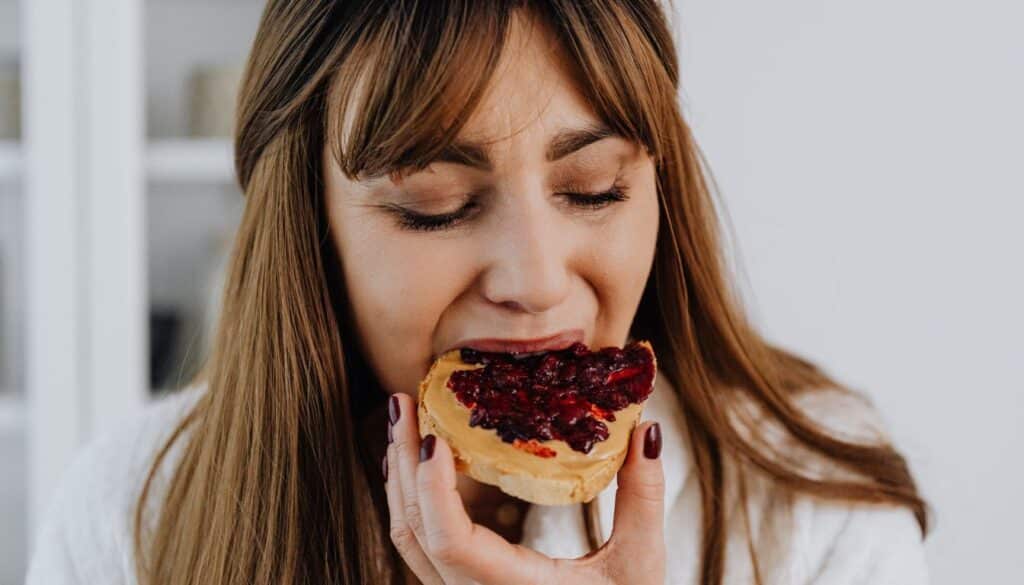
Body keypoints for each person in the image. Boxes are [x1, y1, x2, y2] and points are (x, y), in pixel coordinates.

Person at [25, 1, 933, 583]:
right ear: (308, 229)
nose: (537, 282)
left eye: (594, 190)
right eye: (437, 207)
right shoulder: (132, 517)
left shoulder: (815, 510)